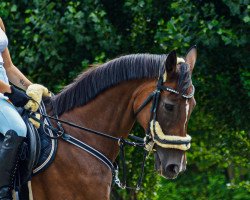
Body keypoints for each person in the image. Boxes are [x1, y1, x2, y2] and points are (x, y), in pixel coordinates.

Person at [0, 18, 50, 199]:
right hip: (4, 94)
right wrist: (12, 92)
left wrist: (32, 89)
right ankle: (3, 192)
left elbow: (9, 67)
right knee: (17, 129)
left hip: (5, 94)